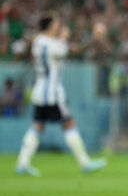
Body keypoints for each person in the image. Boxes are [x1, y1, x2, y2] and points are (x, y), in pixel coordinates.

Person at [15, 15, 107, 176]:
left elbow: (56, 45)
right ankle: (85, 162)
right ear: (50, 26)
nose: (59, 26)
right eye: (57, 23)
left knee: (37, 125)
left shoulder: (39, 41)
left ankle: (22, 163)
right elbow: (76, 51)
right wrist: (94, 38)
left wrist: (62, 38)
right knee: (69, 124)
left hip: (39, 92)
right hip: (53, 94)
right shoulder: (51, 45)